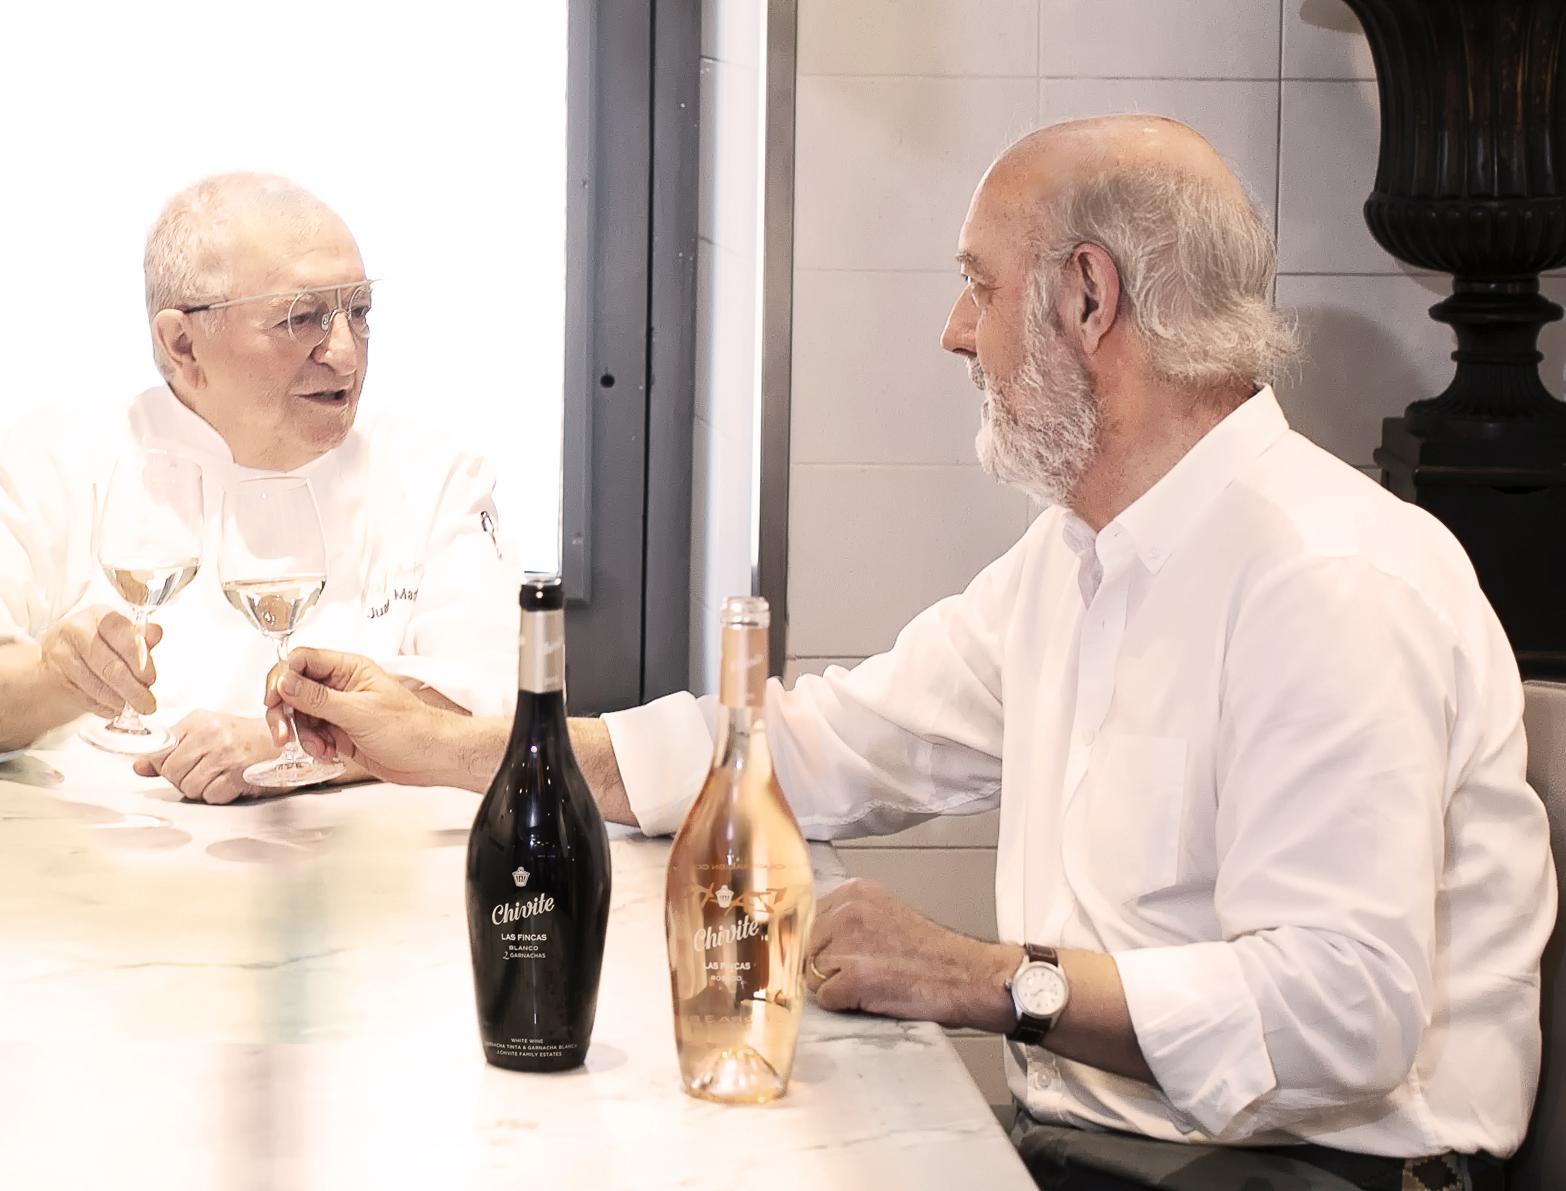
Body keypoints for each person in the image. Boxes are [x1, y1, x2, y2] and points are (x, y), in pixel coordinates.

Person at [264, 116, 1556, 1187]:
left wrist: (984, 980)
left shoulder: (1327, 579)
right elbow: (816, 746)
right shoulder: (1075, 556)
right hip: (1101, 1145)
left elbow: (1341, 1012)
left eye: (978, 285)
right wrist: (464, 747)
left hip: (1312, 1176)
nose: (953, 331)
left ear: (1086, 295)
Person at [0, 172, 521, 805]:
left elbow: (498, 702)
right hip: (90, 870)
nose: (345, 352)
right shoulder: (53, 463)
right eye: (301, 317)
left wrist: (297, 747)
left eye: (359, 311)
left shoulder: (431, 475)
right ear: (182, 344)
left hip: (364, 877)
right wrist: (52, 679)